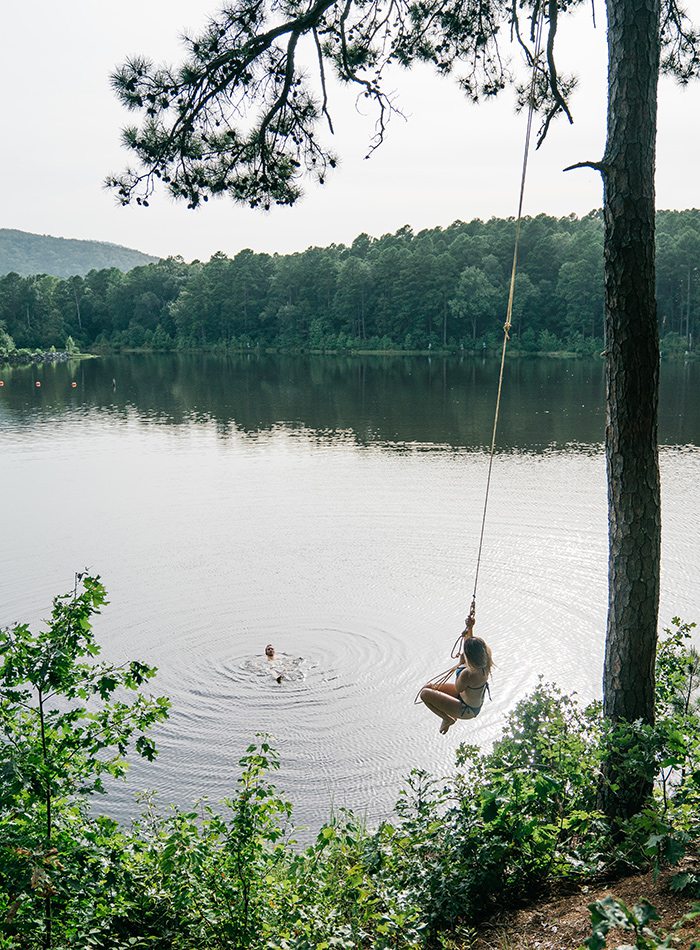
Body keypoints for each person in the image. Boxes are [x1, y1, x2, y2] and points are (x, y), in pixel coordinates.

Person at [419, 616, 493, 734]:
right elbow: (471, 645)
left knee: (424, 694)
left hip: (467, 709)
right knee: (428, 687)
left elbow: (458, 687)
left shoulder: (468, 673)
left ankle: (448, 718)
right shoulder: (486, 660)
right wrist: (470, 627)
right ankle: (448, 716)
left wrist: (459, 664)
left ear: (470, 657)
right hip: (465, 697)